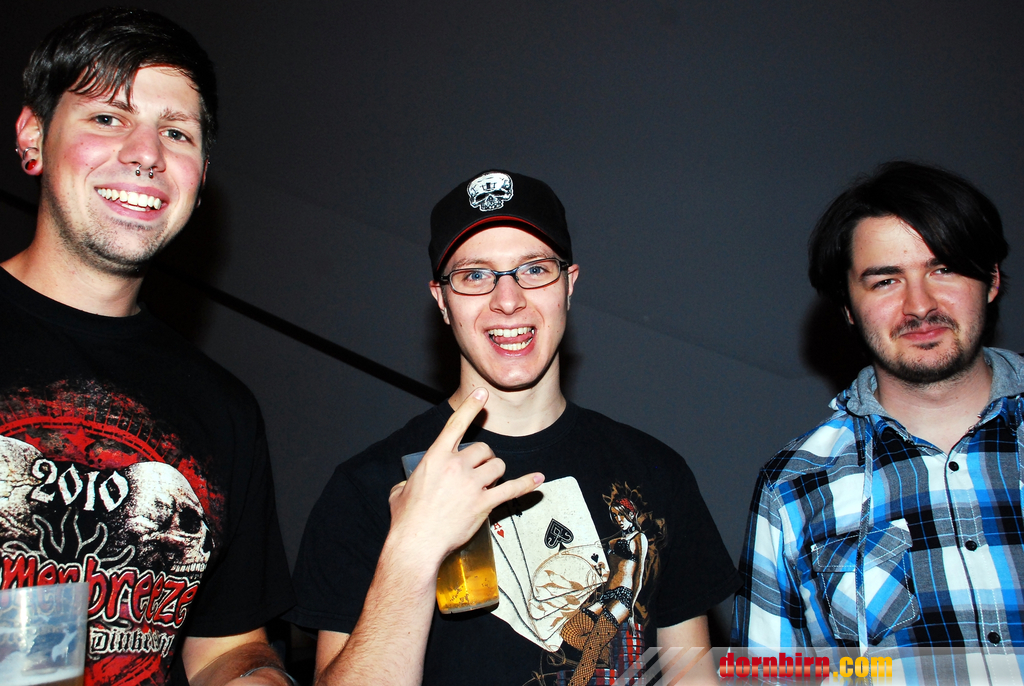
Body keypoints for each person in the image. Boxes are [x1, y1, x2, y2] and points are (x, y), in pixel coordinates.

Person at [289, 169, 738, 685]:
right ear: (441, 300)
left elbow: (690, 675)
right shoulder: (365, 489)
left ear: (568, 285)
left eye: (534, 269)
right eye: (474, 275)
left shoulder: (657, 471)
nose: (507, 300)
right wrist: (411, 552)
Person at [3, 8, 294, 685]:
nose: (146, 153)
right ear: (33, 138)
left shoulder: (224, 409)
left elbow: (227, 647)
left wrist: (257, 675)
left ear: (201, 176)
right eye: (108, 117)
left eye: (176, 132)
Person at [731, 161, 1024, 673]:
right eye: (886, 281)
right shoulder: (794, 487)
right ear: (848, 307)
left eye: (943, 269)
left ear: (992, 279)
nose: (919, 305)